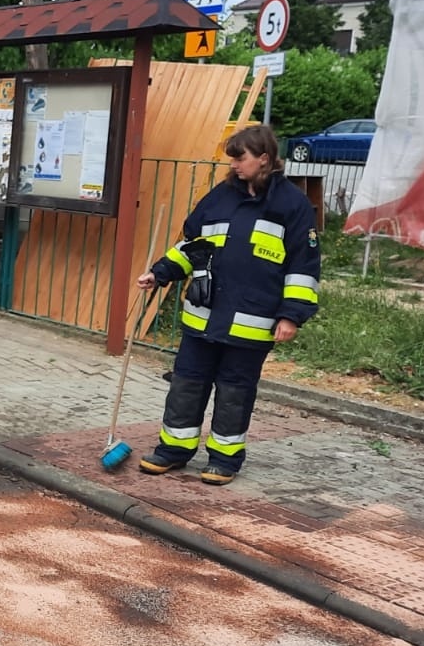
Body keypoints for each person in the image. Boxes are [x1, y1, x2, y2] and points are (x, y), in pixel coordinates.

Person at [135, 124, 319, 484]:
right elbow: (193, 247)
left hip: (253, 320)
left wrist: (291, 316)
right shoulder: (219, 197)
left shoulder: (292, 205)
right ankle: (173, 450)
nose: (234, 164)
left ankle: (225, 459)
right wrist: (160, 273)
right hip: (204, 316)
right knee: (187, 384)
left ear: (264, 158)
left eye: (241, 158)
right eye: (232, 158)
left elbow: (303, 266)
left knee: (235, 391)